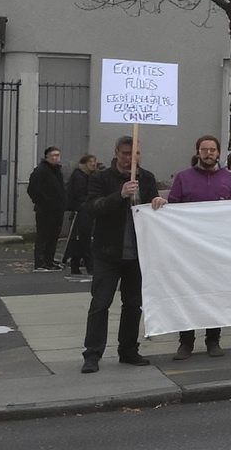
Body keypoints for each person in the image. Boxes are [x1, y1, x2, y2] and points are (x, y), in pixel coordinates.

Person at [157, 134, 231, 360]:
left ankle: (213, 340)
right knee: (187, 294)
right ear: (198, 152)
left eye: (212, 149)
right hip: (189, 248)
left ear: (218, 153)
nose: (208, 153)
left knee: (214, 294)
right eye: (204, 149)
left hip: (217, 247)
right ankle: (186, 342)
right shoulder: (184, 177)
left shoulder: (229, 177)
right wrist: (162, 205)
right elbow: (173, 207)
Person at [80, 136, 158, 373]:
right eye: (124, 153)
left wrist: (157, 202)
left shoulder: (146, 178)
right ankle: (92, 354)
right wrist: (120, 195)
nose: (129, 158)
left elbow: (152, 211)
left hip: (136, 253)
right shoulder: (101, 178)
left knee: (133, 304)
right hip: (107, 252)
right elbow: (93, 208)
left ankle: (128, 349)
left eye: (134, 153)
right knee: (101, 304)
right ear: (115, 153)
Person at [27, 146, 67, 271]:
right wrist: (43, 202)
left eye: (57, 155)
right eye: (53, 155)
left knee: (53, 236)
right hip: (45, 209)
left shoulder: (56, 171)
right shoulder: (41, 171)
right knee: (44, 235)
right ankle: (40, 261)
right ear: (47, 157)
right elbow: (33, 190)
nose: (55, 158)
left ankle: (49, 260)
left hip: (57, 209)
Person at [63, 154, 98, 275]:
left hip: (83, 209)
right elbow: (80, 194)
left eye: (94, 162)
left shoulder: (88, 176)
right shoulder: (79, 177)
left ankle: (76, 264)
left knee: (80, 239)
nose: (93, 164)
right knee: (83, 238)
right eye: (90, 162)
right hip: (81, 211)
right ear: (84, 164)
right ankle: (87, 265)